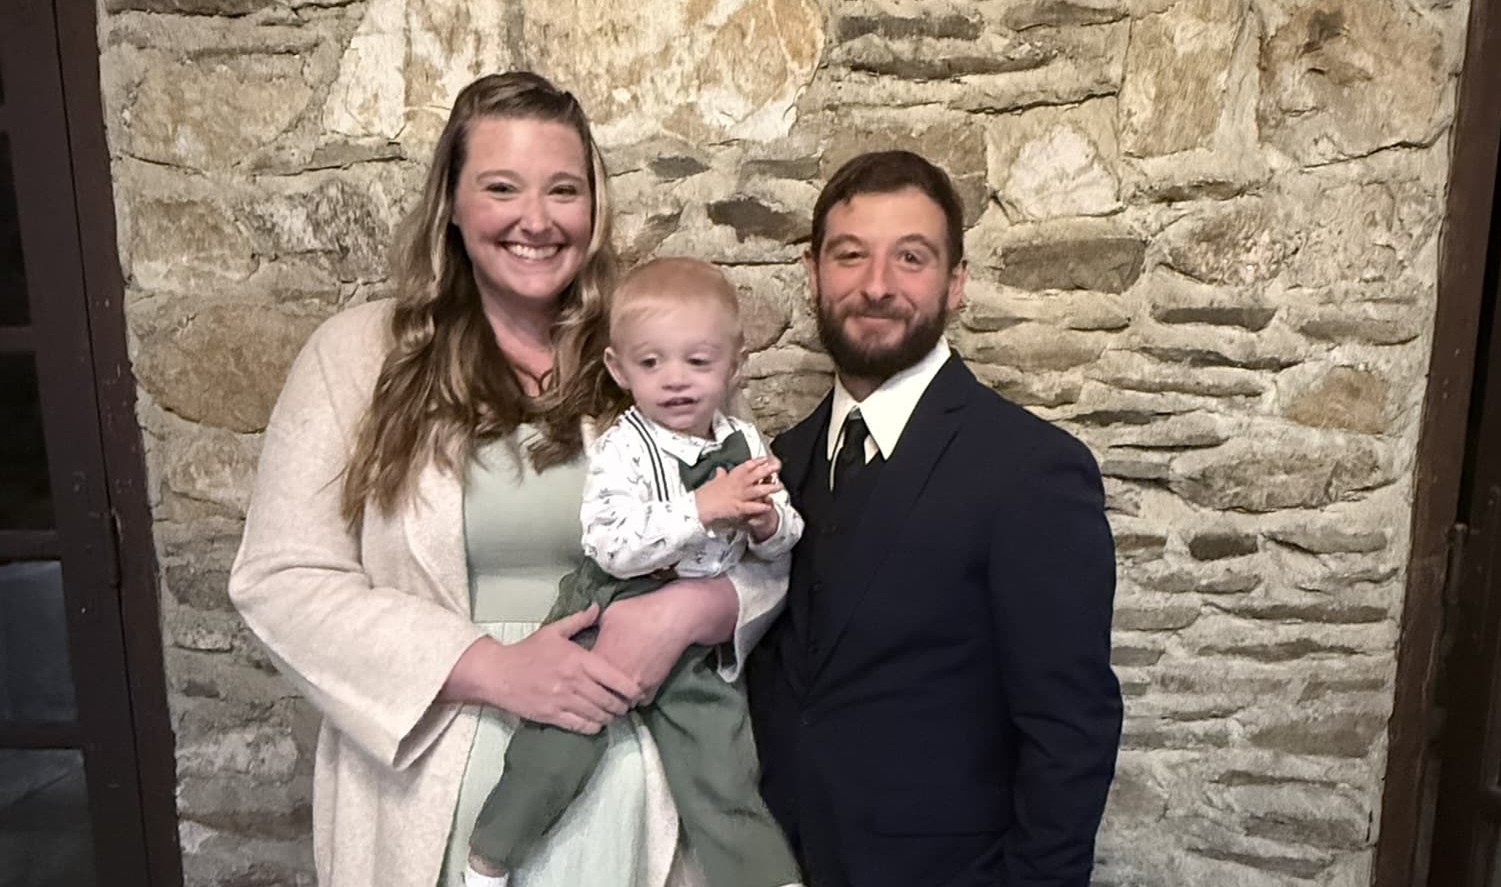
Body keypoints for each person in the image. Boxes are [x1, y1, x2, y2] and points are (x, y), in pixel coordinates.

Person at [227, 72, 790, 887]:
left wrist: (689, 611)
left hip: (639, 783)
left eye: (563, 190)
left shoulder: (658, 349)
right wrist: (490, 664)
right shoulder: (355, 357)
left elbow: (761, 538)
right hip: (434, 784)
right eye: (501, 187)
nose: (537, 219)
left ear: (593, 207)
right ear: (451, 205)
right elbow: (281, 576)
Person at [746, 150, 1123, 887]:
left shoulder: (1031, 470)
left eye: (910, 257)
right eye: (850, 255)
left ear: (956, 283)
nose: (876, 285)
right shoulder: (778, 465)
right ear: (812, 272)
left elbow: (1069, 733)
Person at [465, 257, 803, 887]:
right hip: (607, 601)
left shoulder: (744, 441)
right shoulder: (622, 445)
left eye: (698, 362)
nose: (675, 380)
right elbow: (610, 544)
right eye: (651, 363)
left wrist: (765, 524)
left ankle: (764, 875)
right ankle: (491, 853)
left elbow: (785, 542)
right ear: (619, 369)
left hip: (696, 632)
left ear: (735, 364)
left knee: (722, 760)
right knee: (564, 736)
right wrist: (701, 510)